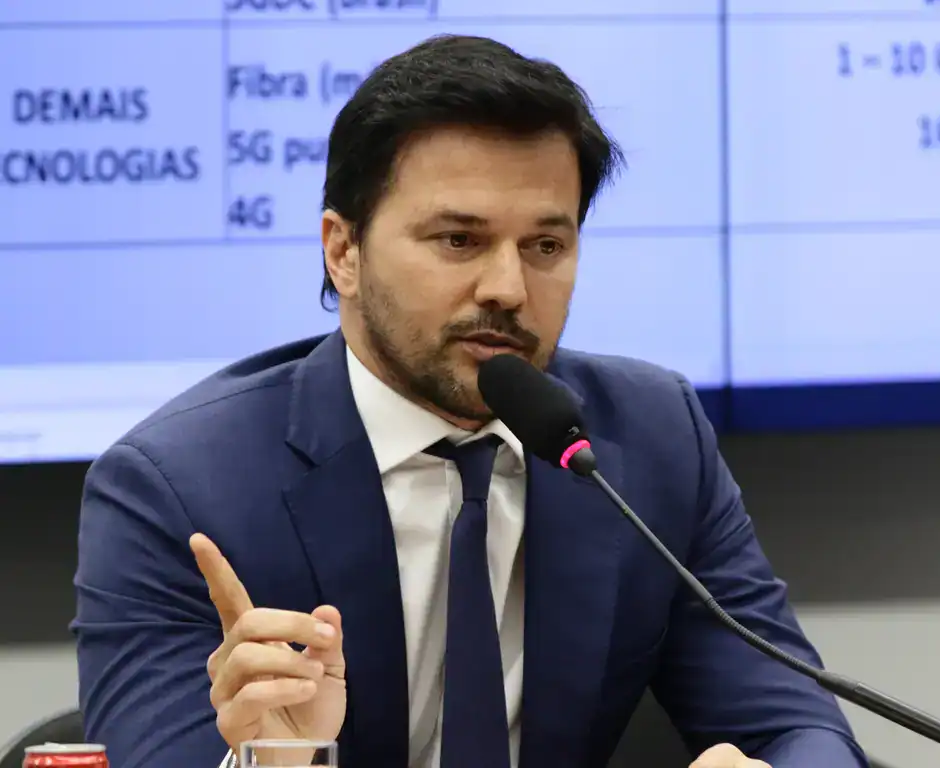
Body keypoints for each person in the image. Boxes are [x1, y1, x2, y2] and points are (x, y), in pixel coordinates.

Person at [73, 34, 868, 768]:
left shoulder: (651, 438)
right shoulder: (177, 487)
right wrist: (278, 764)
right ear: (343, 252)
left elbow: (796, 726)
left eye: (546, 245)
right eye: (459, 240)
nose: (508, 289)